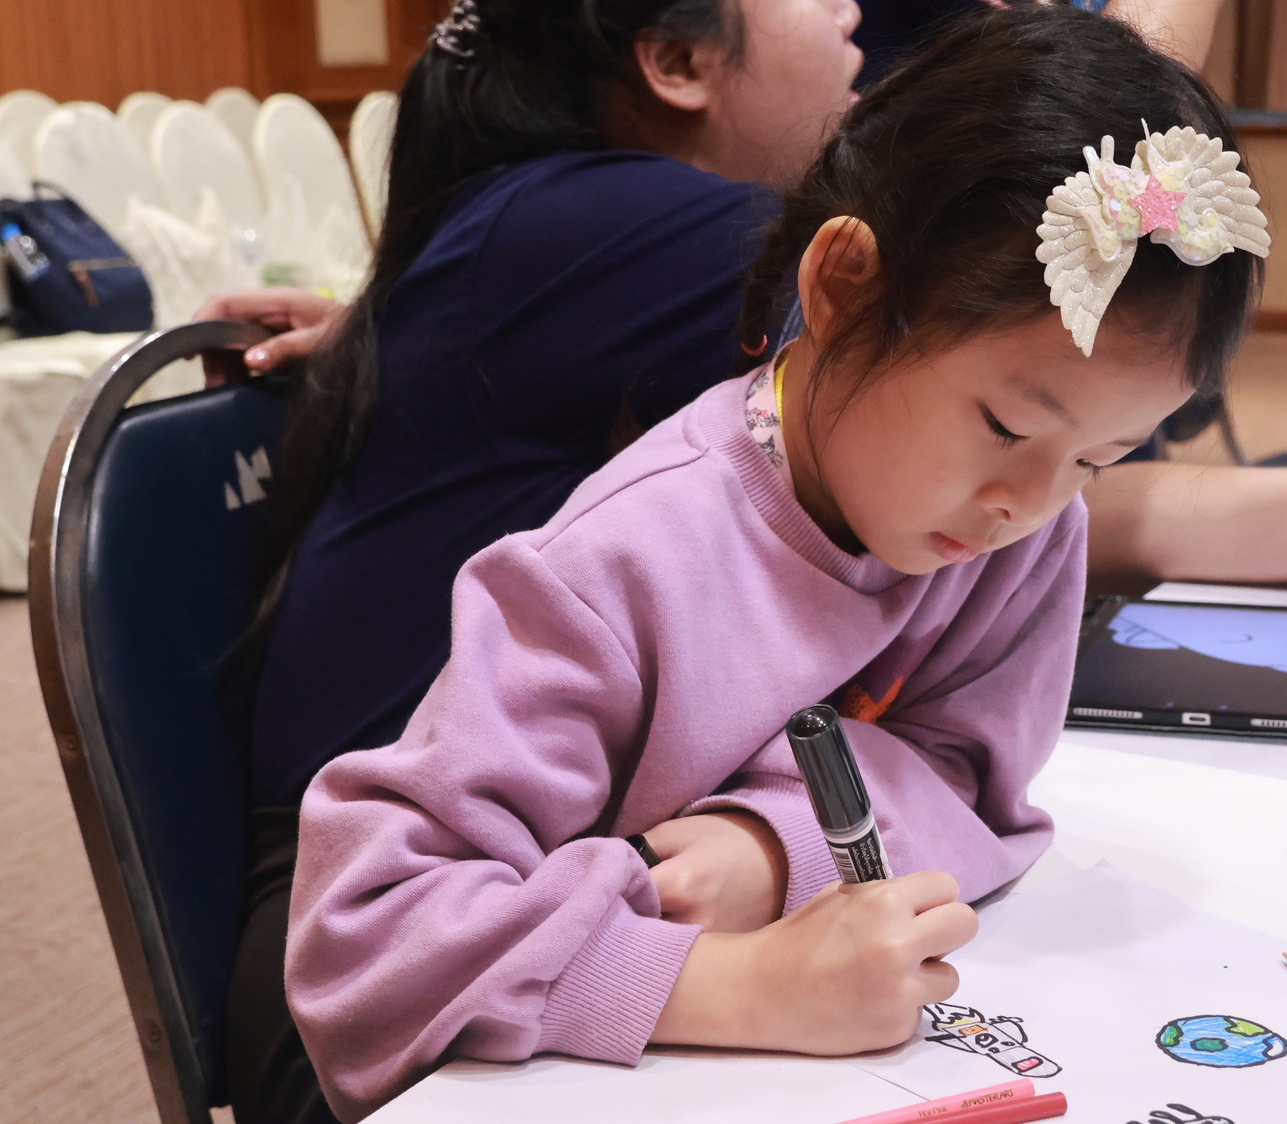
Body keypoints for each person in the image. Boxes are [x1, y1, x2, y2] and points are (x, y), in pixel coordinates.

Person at [286, 8, 1266, 1118]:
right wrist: (737, 983)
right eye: (1004, 425)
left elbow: (970, 772)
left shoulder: (1023, 529)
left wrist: (772, 842)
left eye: (1097, 458)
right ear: (842, 288)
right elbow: (370, 942)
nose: (1027, 505)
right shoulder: (618, 566)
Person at [216, 2, 860, 1123]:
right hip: (403, 958)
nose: (852, 8)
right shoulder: (616, 221)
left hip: (520, 896)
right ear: (676, 61)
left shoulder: (563, 222)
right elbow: (1015, 400)